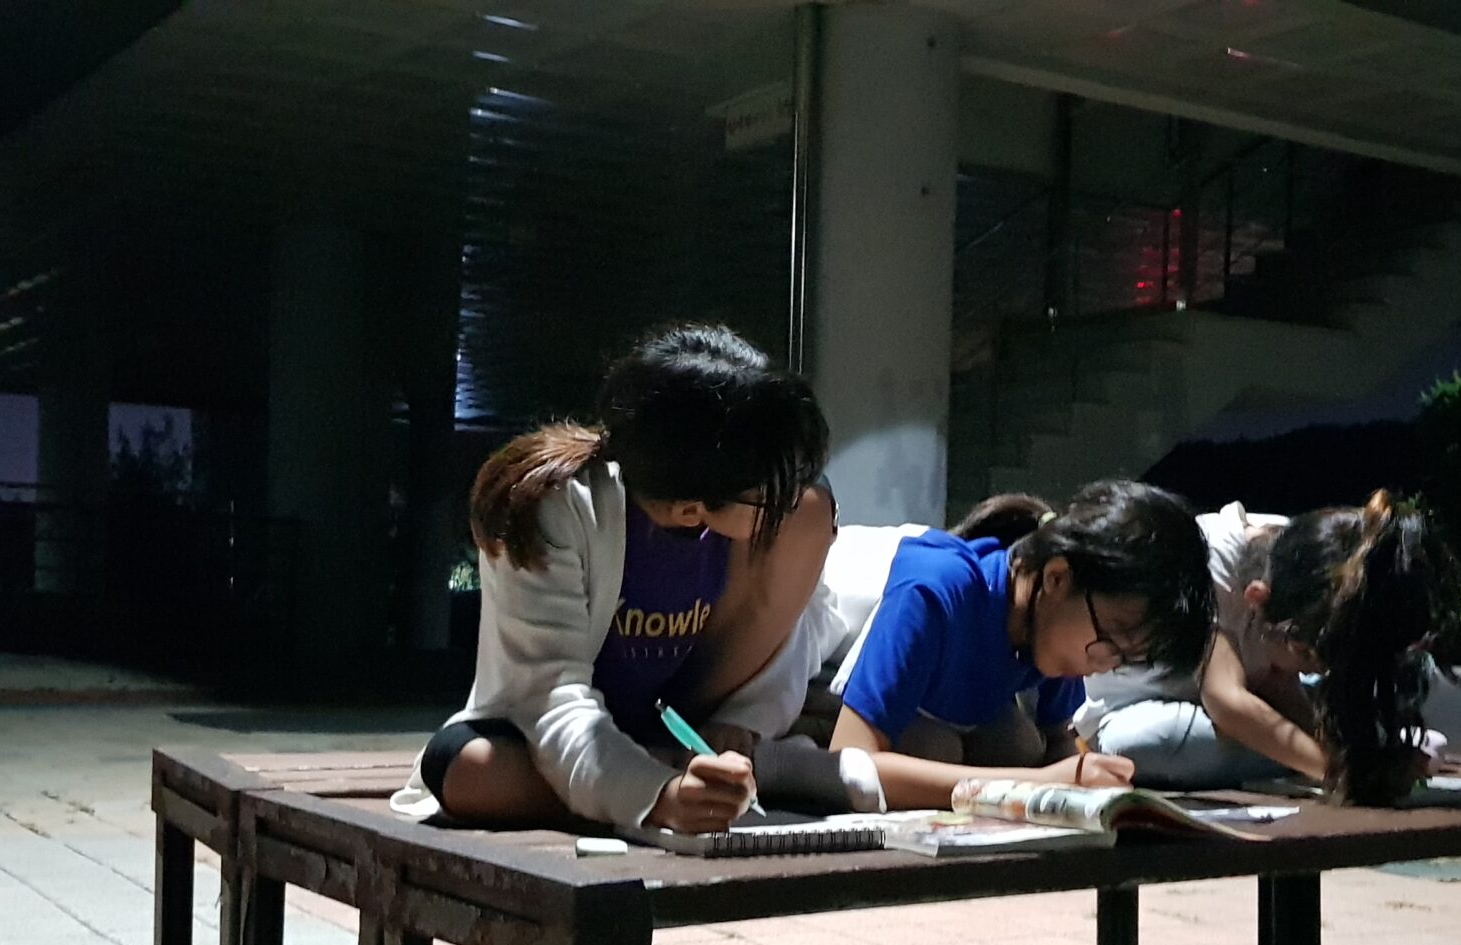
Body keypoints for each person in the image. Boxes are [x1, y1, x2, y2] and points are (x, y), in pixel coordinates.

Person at [389, 324, 835, 834]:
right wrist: (659, 797)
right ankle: (696, 785)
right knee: (466, 768)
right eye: (768, 494)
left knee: (811, 513)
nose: (785, 503)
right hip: (568, 736)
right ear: (691, 507)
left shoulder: (794, 518)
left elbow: (789, 639)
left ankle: (714, 780)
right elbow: (551, 702)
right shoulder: (554, 507)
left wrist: (740, 725)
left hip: (681, 732)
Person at [791, 481, 1216, 811]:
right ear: (1057, 577)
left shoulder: (1047, 623)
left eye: (1124, 658)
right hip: (806, 681)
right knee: (936, 748)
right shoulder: (937, 588)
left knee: (1016, 743)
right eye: (1110, 640)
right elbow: (850, 761)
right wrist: (1042, 783)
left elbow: (1057, 745)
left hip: (921, 711)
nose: (1104, 665)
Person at [1081, 489, 1461, 806]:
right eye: (1307, 656)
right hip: (1155, 704)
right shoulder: (1211, 561)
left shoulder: (1309, 559)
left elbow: (1278, 682)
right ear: (1257, 599)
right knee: (1146, 744)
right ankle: (1338, 751)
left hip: (1254, 698)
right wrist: (1340, 770)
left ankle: (1354, 747)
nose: (1314, 667)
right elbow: (1227, 700)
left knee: (1395, 691)